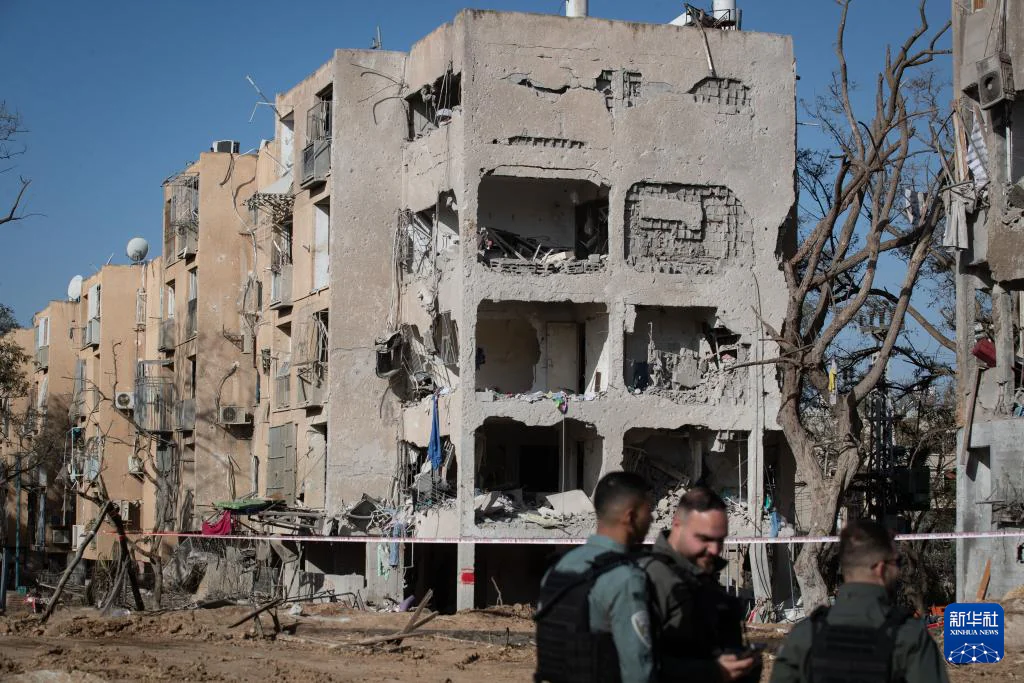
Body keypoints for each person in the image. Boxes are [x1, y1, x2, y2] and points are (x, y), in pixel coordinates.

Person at [770, 518, 950, 683]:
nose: (899, 570)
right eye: (897, 562)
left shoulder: (804, 636)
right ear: (881, 568)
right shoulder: (911, 638)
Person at [534, 471, 656, 683]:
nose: (652, 519)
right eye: (649, 511)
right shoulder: (625, 579)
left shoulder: (558, 567)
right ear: (630, 517)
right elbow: (638, 672)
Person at [642, 486, 761, 682]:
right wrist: (712, 672)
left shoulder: (702, 576)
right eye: (704, 538)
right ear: (677, 525)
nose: (714, 549)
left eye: (720, 540)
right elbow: (636, 665)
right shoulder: (649, 579)